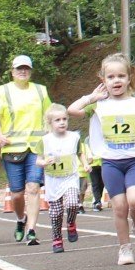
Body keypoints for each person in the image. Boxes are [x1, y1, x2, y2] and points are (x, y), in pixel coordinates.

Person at [67, 54, 135, 266]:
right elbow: (72, 110)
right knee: (119, 207)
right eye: (111, 77)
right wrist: (91, 97)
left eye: (121, 76)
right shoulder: (99, 105)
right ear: (103, 80)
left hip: (134, 161)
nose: (116, 81)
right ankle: (124, 248)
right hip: (110, 163)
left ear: (129, 78)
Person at [0, 54, 51, 246]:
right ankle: (20, 219)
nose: (23, 71)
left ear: (31, 71)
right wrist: (0, 136)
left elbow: (50, 115)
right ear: (12, 72)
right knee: (17, 193)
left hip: (35, 147)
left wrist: (51, 138)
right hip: (12, 148)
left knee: (33, 188)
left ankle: (31, 229)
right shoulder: (3, 91)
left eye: (26, 68)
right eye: (19, 69)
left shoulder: (41, 91)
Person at [36, 104, 83, 254]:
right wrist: (43, 163)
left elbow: (80, 153)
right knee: (55, 212)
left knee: (72, 203)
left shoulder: (74, 137)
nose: (62, 122)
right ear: (50, 123)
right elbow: (38, 160)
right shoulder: (45, 140)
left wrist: (86, 164)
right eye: (57, 120)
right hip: (53, 180)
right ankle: (57, 238)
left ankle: (71, 222)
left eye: (64, 119)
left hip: (70, 177)